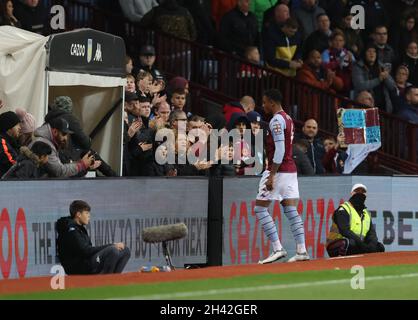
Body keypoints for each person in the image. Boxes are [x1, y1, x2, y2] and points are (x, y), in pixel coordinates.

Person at [256, 89, 309, 264]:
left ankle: (277, 248)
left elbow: (279, 149)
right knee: (290, 209)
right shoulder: (288, 118)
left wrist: (271, 174)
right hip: (290, 170)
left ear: (272, 102)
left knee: (260, 208)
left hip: (279, 170)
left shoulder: (276, 120)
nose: (263, 105)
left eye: (264, 102)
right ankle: (301, 250)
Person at [56, 200, 131, 275]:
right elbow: (86, 251)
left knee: (125, 250)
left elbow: (88, 250)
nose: (89, 216)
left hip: (87, 262)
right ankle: (104, 281)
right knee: (112, 250)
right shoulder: (71, 231)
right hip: (78, 268)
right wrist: (112, 245)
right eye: (86, 213)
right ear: (78, 214)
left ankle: (115, 279)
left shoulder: (80, 228)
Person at [326, 183, 385, 257]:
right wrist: (361, 244)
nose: (360, 194)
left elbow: (372, 233)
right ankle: (341, 262)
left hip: (358, 243)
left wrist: (371, 245)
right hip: (336, 243)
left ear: (365, 195)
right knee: (350, 243)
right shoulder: (343, 210)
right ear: (352, 193)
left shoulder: (366, 213)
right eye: (357, 191)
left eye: (362, 192)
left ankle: (369, 264)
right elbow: (345, 231)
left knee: (379, 247)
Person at [0, 111, 21, 176]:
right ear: (9, 127)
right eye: (17, 125)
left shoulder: (12, 142)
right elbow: (12, 163)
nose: (19, 128)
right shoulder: (2, 142)